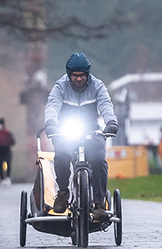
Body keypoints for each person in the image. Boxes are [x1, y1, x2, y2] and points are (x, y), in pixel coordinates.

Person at [44, 52, 118, 221]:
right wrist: (51, 123)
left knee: (99, 160)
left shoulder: (98, 86)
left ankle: (99, 204)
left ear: (88, 74)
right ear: (69, 75)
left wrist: (111, 122)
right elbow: (52, 105)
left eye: (82, 75)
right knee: (61, 156)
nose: (78, 79)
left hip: (92, 132)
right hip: (65, 131)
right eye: (75, 75)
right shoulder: (60, 86)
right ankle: (63, 192)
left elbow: (106, 104)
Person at [0, 118, 15, 185]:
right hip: (0, 150)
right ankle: (3, 178)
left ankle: (7, 177)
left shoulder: (7, 132)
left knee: (7, 164)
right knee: (0, 165)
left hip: (5, 150)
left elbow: (12, 141)